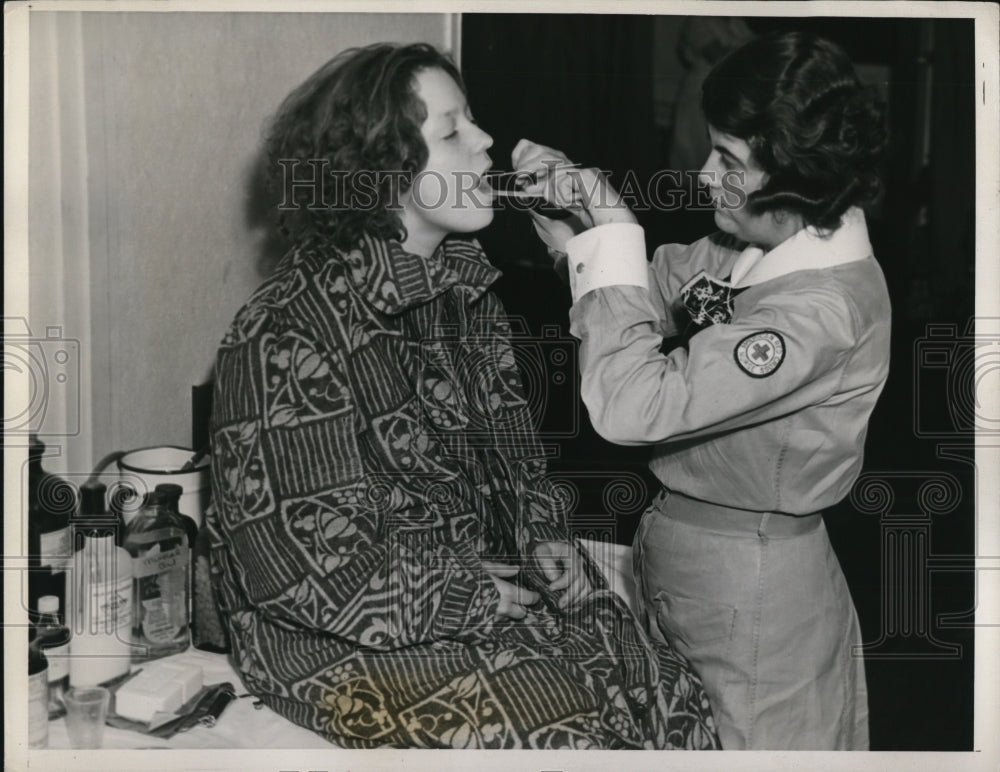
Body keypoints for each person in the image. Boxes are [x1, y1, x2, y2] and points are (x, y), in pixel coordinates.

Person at [205, 42, 718, 749]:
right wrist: (472, 595)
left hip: (481, 589)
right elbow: (304, 572)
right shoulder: (285, 333)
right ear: (382, 171)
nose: (486, 141)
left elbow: (516, 467)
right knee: (568, 733)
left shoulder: (462, 291)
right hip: (338, 641)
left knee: (670, 695)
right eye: (453, 130)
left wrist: (547, 549)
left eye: (472, 120)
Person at [514, 31, 889, 750]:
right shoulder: (755, 249)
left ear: (798, 175)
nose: (704, 172)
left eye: (729, 160)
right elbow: (649, 289)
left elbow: (633, 407)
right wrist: (580, 235)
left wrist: (615, 230)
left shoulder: (819, 314)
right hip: (695, 567)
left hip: (753, 597)